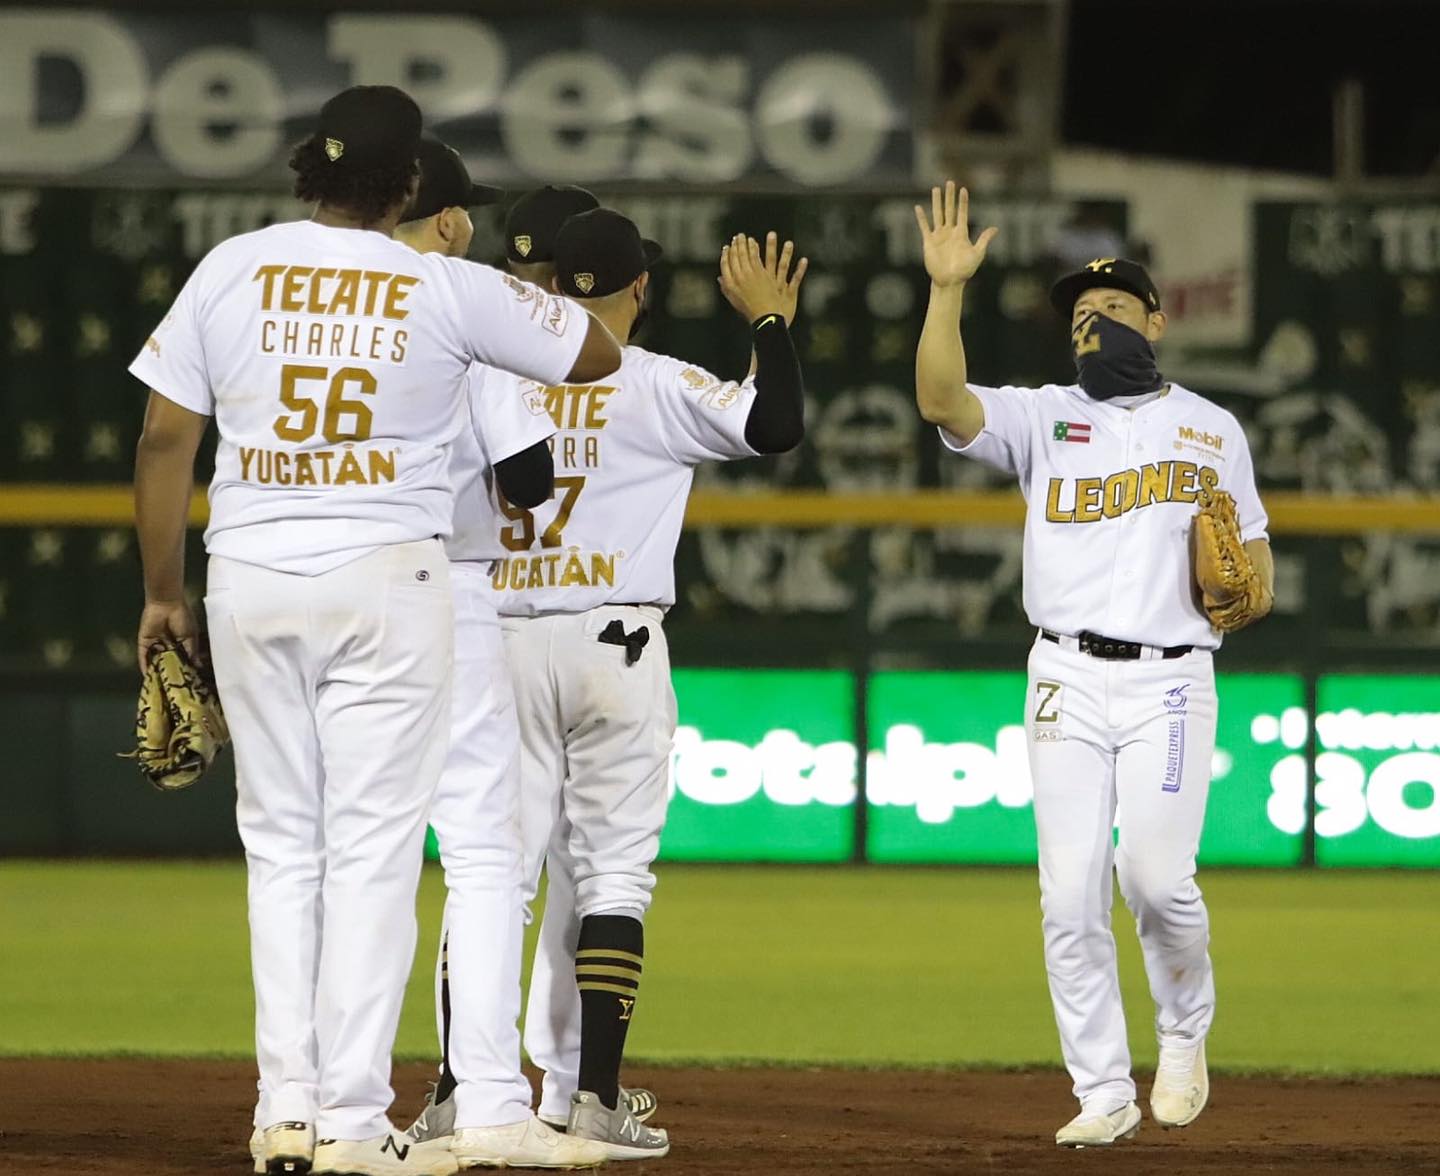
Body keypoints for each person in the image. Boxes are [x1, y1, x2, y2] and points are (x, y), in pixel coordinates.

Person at [130, 85, 620, 1176]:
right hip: (388, 578)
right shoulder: (441, 284)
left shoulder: (231, 264)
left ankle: (283, 1112)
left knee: (279, 848)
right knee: (372, 853)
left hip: (245, 573)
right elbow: (593, 354)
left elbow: (167, 439)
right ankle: (354, 1123)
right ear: (408, 186)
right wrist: (486, 307)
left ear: (312, 167)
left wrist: (163, 591)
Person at [912, 182, 1274, 1148]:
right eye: (1079, 315)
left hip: (1171, 680)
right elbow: (941, 398)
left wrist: (1247, 585)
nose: (1095, 324)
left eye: (1114, 309)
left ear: (1155, 321)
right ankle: (1103, 1088)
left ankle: (1185, 1032)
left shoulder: (1212, 429)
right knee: (1068, 891)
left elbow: (1257, 566)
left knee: (1155, 880)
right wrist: (948, 290)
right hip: (1065, 677)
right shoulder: (1041, 416)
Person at [505, 211, 806, 1160]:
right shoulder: (656, 381)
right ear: (641, 289)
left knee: (491, 878)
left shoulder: (490, 380)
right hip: (613, 644)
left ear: (551, 289)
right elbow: (777, 423)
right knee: (613, 877)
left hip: (499, 643)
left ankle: (457, 1094)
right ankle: (592, 1099)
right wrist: (768, 324)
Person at [390, 149, 607, 1170]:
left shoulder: (276, 288)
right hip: (448, 587)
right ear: (437, 219)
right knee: (486, 856)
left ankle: (306, 1107)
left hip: (294, 574)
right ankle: (483, 1101)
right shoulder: (468, 314)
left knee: (332, 853)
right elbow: (527, 480)